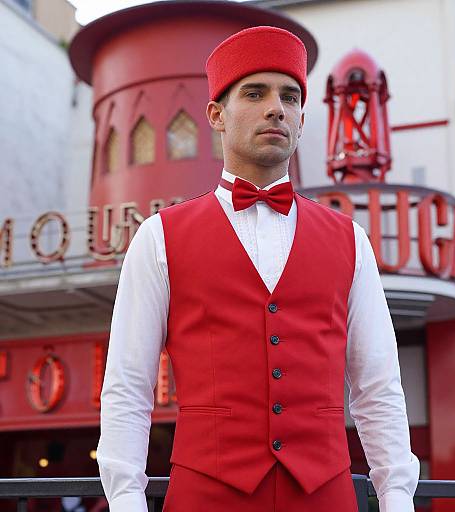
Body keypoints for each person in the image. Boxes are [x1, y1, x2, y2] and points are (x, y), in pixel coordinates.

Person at [96, 25, 420, 512]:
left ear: (303, 119)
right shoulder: (159, 237)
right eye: (255, 93)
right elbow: (127, 385)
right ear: (216, 115)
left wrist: (397, 497)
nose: (277, 108)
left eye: (290, 97)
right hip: (205, 496)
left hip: (324, 495)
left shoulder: (351, 240)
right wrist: (126, 500)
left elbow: (378, 386)